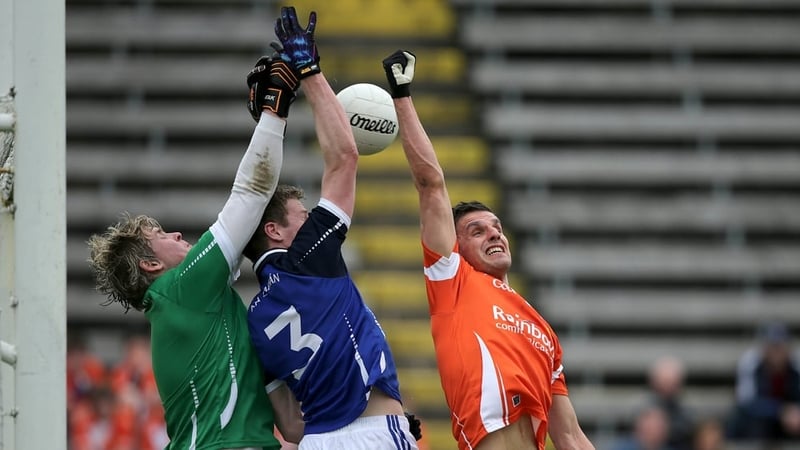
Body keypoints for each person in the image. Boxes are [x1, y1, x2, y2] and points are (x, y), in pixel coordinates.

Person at [86, 52, 304, 449]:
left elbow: (293, 427)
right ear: (151, 264)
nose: (177, 233)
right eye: (161, 235)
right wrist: (274, 113)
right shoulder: (180, 289)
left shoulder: (205, 308)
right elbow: (251, 193)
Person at [381, 49, 595, 450]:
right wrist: (402, 95)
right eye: (476, 231)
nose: (494, 235)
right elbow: (431, 184)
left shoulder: (542, 331)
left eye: (497, 228)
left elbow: (570, 436)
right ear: (456, 248)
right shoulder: (453, 281)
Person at [243, 6, 418, 449]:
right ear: (275, 232)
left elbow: (292, 427)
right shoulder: (307, 259)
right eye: (301, 215)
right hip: (375, 434)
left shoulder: (254, 319)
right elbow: (344, 158)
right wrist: (310, 71)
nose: (310, 219)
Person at [727, 321, 800, 443]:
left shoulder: (796, 365)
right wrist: (780, 411)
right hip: (761, 420)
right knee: (748, 421)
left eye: (780, 347)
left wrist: (795, 412)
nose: (776, 353)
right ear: (764, 348)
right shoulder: (751, 363)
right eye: (772, 347)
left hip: (791, 421)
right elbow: (746, 401)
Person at [644, 356, 695, 450]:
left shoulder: (685, 414)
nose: (669, 386)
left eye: (673, 382)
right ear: (654, 382)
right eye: (665, 381)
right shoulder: (643, 410)